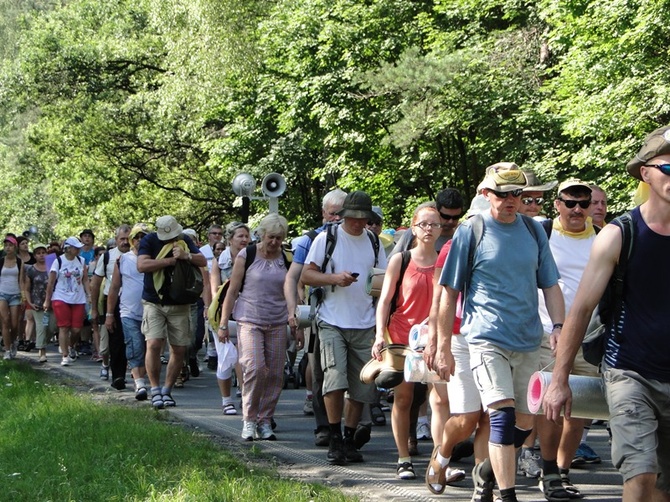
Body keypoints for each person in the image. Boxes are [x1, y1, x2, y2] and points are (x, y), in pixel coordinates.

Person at [543, 125, 670, 502]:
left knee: (665, 486)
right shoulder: (619, 234)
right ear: (646, 172)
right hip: (629, 372)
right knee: (641, 471)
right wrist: (559, 378)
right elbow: (581, 309)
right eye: (669, 168)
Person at [435, 163, 564, 502]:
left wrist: (560, 328)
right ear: (486, 194)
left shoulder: (534, 232)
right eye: (504, 194)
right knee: (502, 417)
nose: (511, 201)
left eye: (517, 194)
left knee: (524, 423)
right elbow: (448, 292)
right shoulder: (471, 231)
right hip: (485, 338)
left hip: (527, 339)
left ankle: (487, 471)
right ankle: (507, 495)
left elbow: (550, 285)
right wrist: (444, 345)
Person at [301, 190, 388, 465]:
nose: (358, 223)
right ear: (343, 216)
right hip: (332, 320)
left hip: (365, 323)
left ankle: (350, 438)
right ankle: (335, 436)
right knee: (334, 381)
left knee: (362, 388)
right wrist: (334, 278)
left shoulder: (374, 242)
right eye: (354, 218)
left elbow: (384, 280)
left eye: (364, 219)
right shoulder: (327, 238)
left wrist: (376, 290)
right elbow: (306, 275)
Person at [531, 180, 599, 500]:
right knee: (550, 408)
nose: (577, 209)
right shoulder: (540, 232)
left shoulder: (602, 237)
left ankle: (561, 472)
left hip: (588, 337)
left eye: (584, 204)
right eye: (570, 202)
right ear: (557, 203)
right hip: (547, 333)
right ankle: (546, 469)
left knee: (580, 412)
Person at [424, 195, 491, 497]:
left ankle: (484, 483)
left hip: (496, 339)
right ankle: (442, 454)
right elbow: (441, 297)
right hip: (460, 338)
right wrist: (437, 342)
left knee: (494, 415)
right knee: (467, 418)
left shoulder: (510, 243)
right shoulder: (452, 248)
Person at [372, 202, 441, 480]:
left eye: (434, 224)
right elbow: (385, 301)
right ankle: (403, 458)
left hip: (434, 339)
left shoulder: (446, 260)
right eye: (424, 224)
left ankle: (439, 459)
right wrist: (379, 335)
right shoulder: (401, 259)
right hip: (401, 337)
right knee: (404, 397)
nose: (429, 229)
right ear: (414, 227)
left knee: (439, 399)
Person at [218, 213, 301, 441]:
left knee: (275, 374)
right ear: (262, 235)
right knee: (254, 368)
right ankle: (249, 419)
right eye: (271, 237)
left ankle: (265, 420)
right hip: (249, 320)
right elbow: (232, 291)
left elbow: (292, 290)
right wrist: (224, 323)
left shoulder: (287, 258)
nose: (274, 242)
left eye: (279, 238)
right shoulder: (248, 254)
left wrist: (296, 320)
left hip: (277, 321)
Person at [283, 188, 346, 446]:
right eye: (333, 215)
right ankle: (325, 427)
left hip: (354, 315)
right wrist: (294, 311)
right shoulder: (311, 239)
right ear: (323, 213)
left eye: (342, 215)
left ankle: (354, 427)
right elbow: (293, 277)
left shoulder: (360, 236)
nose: (337, 220)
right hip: (319, 313)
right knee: (320, 370)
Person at [137, 215, 206, 409]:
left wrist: (187, 256)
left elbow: (202, 260)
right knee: (154, 343)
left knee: (179, 348)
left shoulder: (184, 240)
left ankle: (167, 390)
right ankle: (155, 389)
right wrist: (169, 261)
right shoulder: (149, 240)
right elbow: (142, 265)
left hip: (180, 303)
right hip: (154, 301)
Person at [210, 221, 251, 415]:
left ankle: (245, 397)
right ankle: (226, 400)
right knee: (227, 358)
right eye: (240, 236)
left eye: (246, 236)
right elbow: (214, 290)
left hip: (247, 314)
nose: (244, 239)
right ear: (230, 239)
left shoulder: (253, 257)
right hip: (223, 315)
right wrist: (219, 319)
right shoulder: (221, 260)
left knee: (244, 359)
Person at [105, 223, 150, 400]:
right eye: (136, 237)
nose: (139, 240)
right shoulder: (123, 260)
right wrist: (109, 314)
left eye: (143, 237)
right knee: (135, 345)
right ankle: (139, 383)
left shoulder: (155, 258)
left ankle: (143, 377)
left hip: (150, 311)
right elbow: (114, 288)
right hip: (128, 312)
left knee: (150, 348)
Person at [91, 225, 132, 389]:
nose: (125, 242)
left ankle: (138, 376)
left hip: (133, 301)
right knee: (116, 341)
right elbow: (96, 283)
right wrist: (94, 308)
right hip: (112, 301)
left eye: (128, 239)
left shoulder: (139, 255)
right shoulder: (108, 257)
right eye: (121, 239)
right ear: (116, 240)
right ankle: (118, 376)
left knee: (136, 340)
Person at [44, 236, 91, 366]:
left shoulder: (81, 261)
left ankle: (70, 345)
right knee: (64, 327)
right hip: (60, 297)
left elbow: (85, 279)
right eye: (76, 248)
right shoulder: (58, 261)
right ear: (68, 249)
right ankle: (65, 355)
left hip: (78, 298)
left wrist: (89, 294)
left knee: (76, 329)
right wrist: (47, 300)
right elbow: (51, 282)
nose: (78, 250)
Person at [22, 243, 50, 362]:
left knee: (51, 326)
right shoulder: (31, 269)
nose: (41, 255)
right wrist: (29, 302)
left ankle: (42, 342)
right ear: (35, 255)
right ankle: (42, 351)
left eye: (43, 253)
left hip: (51, 303)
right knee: (41, 327)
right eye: (38, 253)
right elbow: (27, 289)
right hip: (37, 303)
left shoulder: (53, 267)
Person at [1, 236, 26, 359]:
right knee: (5, 321)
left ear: (15, 247)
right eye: (6, 245)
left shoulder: (20, 262)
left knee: (15, 324)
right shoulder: (1, 261)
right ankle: (6, 350)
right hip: (2, 294)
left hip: (15, 294)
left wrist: (23, 297)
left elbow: (21, 281)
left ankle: (13, 342)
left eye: (10, 245)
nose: (8, 248)